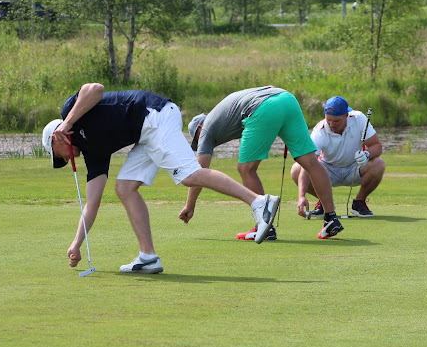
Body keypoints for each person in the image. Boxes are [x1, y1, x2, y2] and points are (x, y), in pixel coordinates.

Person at [42, 83, 279, 274]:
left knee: (189, 175)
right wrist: (77, 243)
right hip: (145, 133)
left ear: (56, 138)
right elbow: (91, 204)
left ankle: (259, 201)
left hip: (154, 115)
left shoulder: (70, 112)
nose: (63, 161)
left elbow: (95, 88)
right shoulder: (94, 155)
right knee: (124, 188)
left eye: (58, 157)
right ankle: (148, 257)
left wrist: (69, 122)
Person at [184, 86, 344, 240]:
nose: (200, 144)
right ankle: (331, 218)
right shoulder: (223, 116)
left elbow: (199, 172)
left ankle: (265, 227)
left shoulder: (205, 130)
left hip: (263, 107)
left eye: (197, 140)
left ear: (199, 129)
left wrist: (190, 206)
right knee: (310, 161)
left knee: (246, 169)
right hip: (287, 100)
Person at [292, 96, 385, 218]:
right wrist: (301, 196)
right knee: (296, 169)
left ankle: (359, 202)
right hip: (326, 171)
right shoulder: (320, 131)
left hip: (354, 168)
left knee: (379, 164)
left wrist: (367, 154)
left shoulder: (359, 119)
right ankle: (324, 203)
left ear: (346, 115)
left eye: (336, 121)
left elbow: (376, 146)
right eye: (328, 120)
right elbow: (308, 164)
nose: (331, 124)